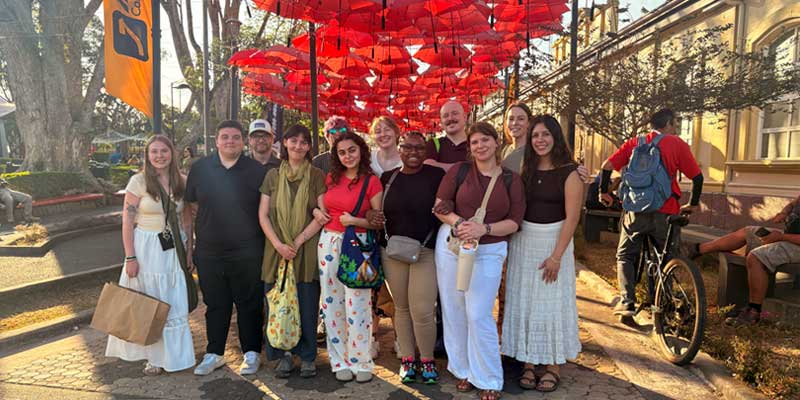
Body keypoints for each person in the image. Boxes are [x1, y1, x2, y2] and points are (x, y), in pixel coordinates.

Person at [433, 122, 526, 400]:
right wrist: (460, 223)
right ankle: (462, 369)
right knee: (453, 308)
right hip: (453, 246)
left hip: (490, 249)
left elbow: (515, 222)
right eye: (475, 142)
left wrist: (483, 229)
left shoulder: (511, 179)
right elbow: (439, 206)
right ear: (470, 147)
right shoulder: (458, 172)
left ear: (496, 143)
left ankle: (489, 377)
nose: (480, 146)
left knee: (479, 313)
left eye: (485, 140)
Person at [501, 115, 583, 393]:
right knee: (524, 302)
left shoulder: (570, 172)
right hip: (524, 242)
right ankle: (527, 363)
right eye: (535, 135)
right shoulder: (525, 169)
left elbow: (572, 219)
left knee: (550, 306)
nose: (540, 140)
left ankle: (552, 366)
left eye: (546, 134)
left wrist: (557, 256)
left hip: (554, 242)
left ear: (556, 137)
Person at [598, 108, 704, 317]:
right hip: (665, 211)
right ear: (669, 124)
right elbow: (697, 177)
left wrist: (604, 192)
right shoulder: (677, 144)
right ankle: (663, 303)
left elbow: (606, 166)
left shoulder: (636, 143)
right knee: (667, 258)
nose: (676, 128)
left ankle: (627, 302)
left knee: (626, 254)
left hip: (635, 210)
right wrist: (692, 203)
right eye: (675, 124)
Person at [106, 135, 195, 375]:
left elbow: (186, 218)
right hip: (146, 247)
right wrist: (130, 256)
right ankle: (153, 358)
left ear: (171, 153)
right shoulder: (138, 181)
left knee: (172, 300)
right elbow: (127, 220)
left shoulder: (182, 181)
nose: (159, 156)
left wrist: (189, 250)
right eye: (154, 151)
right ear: (147, 155)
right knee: (150, 300)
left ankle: (175, 356)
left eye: (164, 151)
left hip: (173, 246)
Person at [185, 120, 267, 376]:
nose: (230, 141)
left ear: (243, 141)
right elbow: (191, 204)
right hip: (209, 251)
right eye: (224, 137)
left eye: (235, 137)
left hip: (248, 249)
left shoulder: (256, 170)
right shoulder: (200, 168)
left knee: (249, 303)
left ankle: (251, 353)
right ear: (217, 141)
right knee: (215, 303)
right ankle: (214, 353)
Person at [258, 124, 327, 378]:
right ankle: (283, 355)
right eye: (293, 141)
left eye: (304, 142)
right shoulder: (272, 176)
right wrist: (278, 244)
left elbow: (322, 215)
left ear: (309, 146)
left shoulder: (317, 175)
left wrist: (296, 243)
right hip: (275, 250)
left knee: (307, 303)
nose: (298, 146)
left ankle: (308, 356)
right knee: (278, 304)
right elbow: (263, 215)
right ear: (285, 143)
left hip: (305, 249)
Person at [380, 131, 445, 384]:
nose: (414, 152)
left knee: (423, 309)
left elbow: (449, 200)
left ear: (426, 151)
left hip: (425, 251)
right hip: (392, 251)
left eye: (419, 148)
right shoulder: (388, 178)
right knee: (402, 308)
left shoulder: (437, 176)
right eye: (408, 147)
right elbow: (376, 209)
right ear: (400, 149)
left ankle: (427, 360)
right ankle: (408, 360)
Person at [317, 131, 383, 383]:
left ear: (361, 150)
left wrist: (353, 220)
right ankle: (339, 359)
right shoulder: (331, 178)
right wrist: (316, 210)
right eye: (342, 152)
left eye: (352, 150)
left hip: (358, 245)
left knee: (359, 303)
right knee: (332, 303)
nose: (347, 156)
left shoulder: (372, 181)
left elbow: (378, 221)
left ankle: (362, 359)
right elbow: (321, 205)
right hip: (329, 242)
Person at [687, 193, 800, 325]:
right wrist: (784, 212)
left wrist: (780, 238)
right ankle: (697, 250)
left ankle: (753, 311)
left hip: (795, 244)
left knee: (756, 257)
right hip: (787, 237)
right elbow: (793, 203)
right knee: (747, 232)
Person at [424, 100, 469, 172]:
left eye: (455, 113)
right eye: (445, 116)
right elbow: (428, 165)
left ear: (465, 117)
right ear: (441, 122)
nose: (450, 118)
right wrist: (464, 168)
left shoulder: (475, 143)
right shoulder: (434, 144)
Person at [500, 101, 533, 170]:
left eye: (521, 119)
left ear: (528, 123)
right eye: (511, 119)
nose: (515, 123)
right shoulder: (505, 150)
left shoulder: (533, 151)